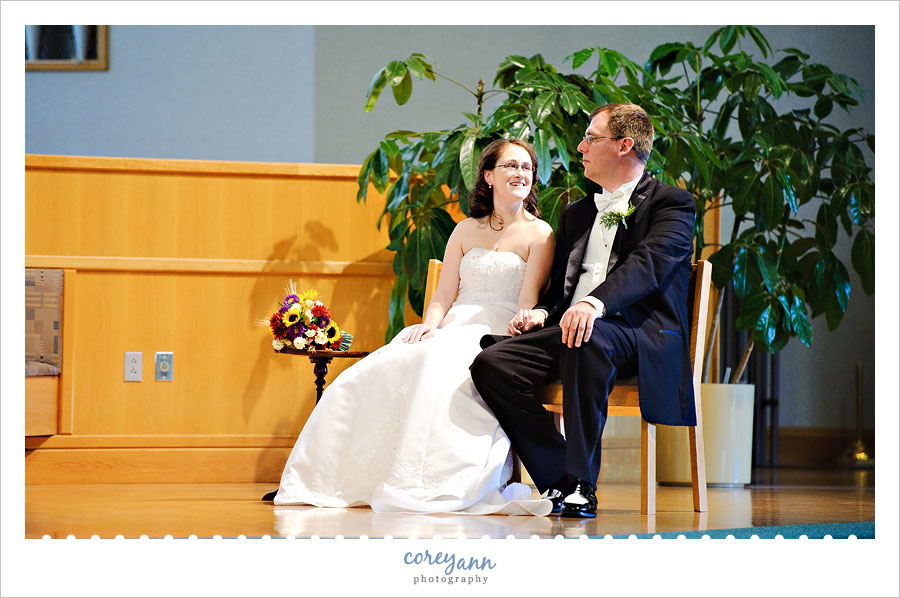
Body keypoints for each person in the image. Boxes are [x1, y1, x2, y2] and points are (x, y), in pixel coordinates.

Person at [272, 139, 555, 515]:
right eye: (511, 166)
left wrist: (518, 326)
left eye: (527, 168)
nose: (521, 174)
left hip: (497, 330)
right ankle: (350, 476)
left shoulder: (541, 234)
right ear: (488, 176)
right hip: (454, 324)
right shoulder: (465, 230)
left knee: (439, 368)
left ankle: (439, 482)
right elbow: (442, 295)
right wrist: (429, 326)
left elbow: (528, 300)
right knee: (380, 366)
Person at [470, 103, 697, 518]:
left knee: (585, 336)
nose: (580, 146)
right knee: (491, 364)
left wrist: (595, 303)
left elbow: (648, 264)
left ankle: (581, 484)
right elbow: (561, 288)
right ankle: (558, 479)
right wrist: (542, 311)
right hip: (573, 329)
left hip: (637, 332)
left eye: (591, 138)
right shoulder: (577, 212)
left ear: (625, 145)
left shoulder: (672, 205)